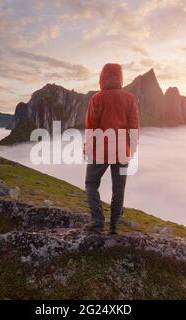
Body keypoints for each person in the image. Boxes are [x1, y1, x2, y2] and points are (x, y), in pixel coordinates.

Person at [84, 63, 140, 235]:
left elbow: (91, 126)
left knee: (91, 183)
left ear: (102, 77)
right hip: (122, 150)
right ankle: (114, 226)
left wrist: (87, 147)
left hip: (100, 149)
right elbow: (134, 126)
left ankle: (98, 221)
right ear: (120, 77)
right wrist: (132, 148)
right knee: (119, 188)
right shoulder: (129, 98)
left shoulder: (97, 98)